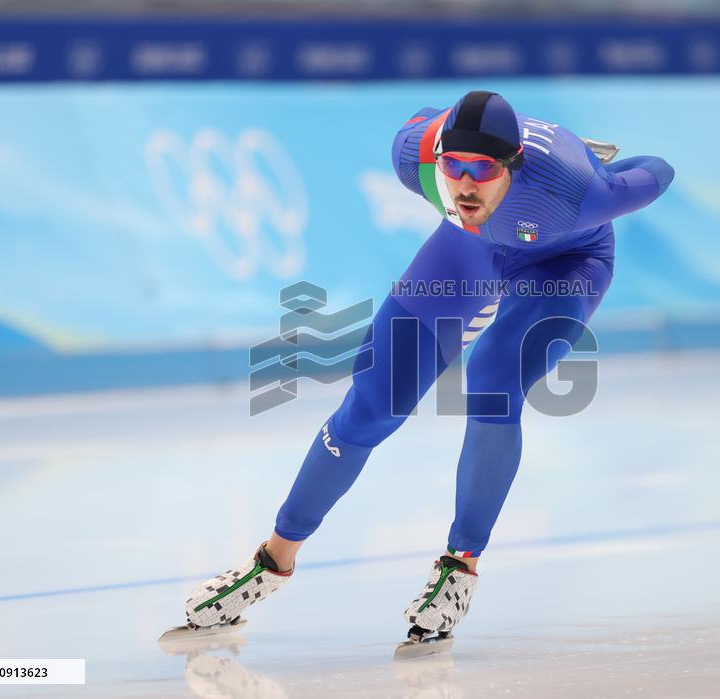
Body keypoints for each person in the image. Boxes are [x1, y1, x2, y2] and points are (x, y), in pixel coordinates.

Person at [181, 90, 674, 641]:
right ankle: (272, 561)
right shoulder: (413, 159)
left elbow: (657, 171)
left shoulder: (577, 192)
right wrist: (457, 164)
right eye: (454, 167)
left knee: (494, 379)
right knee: (370, 405)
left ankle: (461, 566)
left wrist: (587, 154)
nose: (465, 184)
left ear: (510, 163)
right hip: (470, 248)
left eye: (482, 170)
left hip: (566, 257)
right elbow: (422, 119)